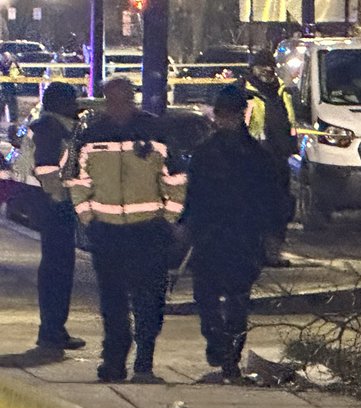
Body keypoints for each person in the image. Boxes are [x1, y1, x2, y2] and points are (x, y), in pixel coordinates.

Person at [65, 77, 186, 384]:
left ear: (132, 98)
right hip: (108, 233)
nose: (117, 104)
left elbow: (175, 179)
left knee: (149, 301)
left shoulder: (154, 131)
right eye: (112, 99)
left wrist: (168, 219)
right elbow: (79, 182)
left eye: (123, 98)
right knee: (113, 304)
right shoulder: (92, 135)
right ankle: (114, 362)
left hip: (148, 232)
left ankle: (144, 363)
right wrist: (89, 219)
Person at [181, 84, 283, 382]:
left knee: (237, 301)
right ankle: (218, 345)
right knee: (207, 297)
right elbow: (194, 194)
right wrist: (188, 226)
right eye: (221, 115)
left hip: (241, 236)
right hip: (214, 235)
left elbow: (272, 198)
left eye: (229, 115)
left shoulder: (256, 157)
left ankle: (230, 357)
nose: (224, 120)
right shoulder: (205, 153)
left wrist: (273, 234)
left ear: (240, 116)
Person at [26, 82, 85, 350]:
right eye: (72, 101)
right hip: (55, 208)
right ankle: (52, 330)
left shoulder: (50, 127)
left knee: (57, 268)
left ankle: (53, 328)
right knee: (58, 269)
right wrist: (62, 199)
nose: (77, 106)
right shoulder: (52, 130)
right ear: (61, 104)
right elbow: (48, 170)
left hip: (50, 207)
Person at [244, 48, 297, 267]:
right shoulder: (244, 92)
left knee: (279, 208)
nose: (268, 69)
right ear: (253, 68)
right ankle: (254, 253)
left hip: (278, 160)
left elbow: (290, 123)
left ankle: (272, 252)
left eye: (271, 65)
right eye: (262, 65)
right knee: (254, 208)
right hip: (252, 160)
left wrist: (290, 148)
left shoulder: (282, 92)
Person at [0, 52, 20, 126]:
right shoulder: (1, 64)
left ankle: (13, 120)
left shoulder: (13, 64)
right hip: (3, 87)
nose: (6, 59)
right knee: (2, 102)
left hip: (10, 87)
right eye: (4, 57)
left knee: (12, 103)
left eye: (7, 57)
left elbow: (17, 73)